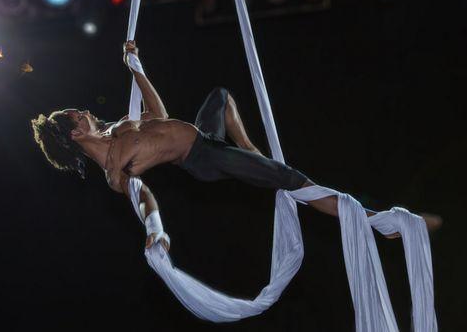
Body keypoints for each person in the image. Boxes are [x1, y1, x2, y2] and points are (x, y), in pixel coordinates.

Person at [31, 41, 442, 250]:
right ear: (72, 134)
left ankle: (251, 150)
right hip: (203, 158)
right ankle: (380, 224)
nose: (85, 112)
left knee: (222, 97)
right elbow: (144, 199)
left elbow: (157, 113)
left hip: (204, 136)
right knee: (293, 180)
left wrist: (136, 67)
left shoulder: (120, 127)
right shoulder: (114, 169)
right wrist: (156, 230)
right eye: (78, 115)